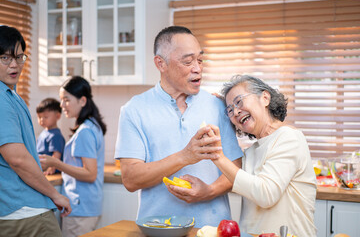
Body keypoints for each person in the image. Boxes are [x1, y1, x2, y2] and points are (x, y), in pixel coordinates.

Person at [114, 26, 243, 228]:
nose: (197, 68)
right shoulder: (134, 110)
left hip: (212, 229)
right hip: (158, 229)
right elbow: (131, 179)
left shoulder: (217, 105)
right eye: (187, 61)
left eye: (200, 60)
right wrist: (185, 156)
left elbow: (236, 169)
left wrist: (208, 191)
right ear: (160, 63)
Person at [204, 75, 317, 236]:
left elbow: (265, 195)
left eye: (239, 101)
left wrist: (217, 156)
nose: (235, 112)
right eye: (230, 109)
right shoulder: (251, 151)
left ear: (265, 98)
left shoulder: (289, 137)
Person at [0, 25, 71, 236]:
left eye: (20, 57)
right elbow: (18, 159)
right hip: (24, 209)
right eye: (5, 58)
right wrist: (54, 195)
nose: (15, 65)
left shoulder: (12, 96)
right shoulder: (2, 99)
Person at [40, 76, 106, 237]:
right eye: (61, 100)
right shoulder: (91, 126)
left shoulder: (85, 132)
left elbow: (90, 174)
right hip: (86, 206)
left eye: (66, 100)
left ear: (82, 101)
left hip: (80, 208)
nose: (62, 105)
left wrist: (55, 162)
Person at [36, 98, 65, 175]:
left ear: (57, 116)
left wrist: (51, 168)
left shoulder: (55, 135)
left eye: (45, 117)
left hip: (51, 172)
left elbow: (56, 155)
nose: (42, 120)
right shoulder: (44, 133)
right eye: (39, 117)